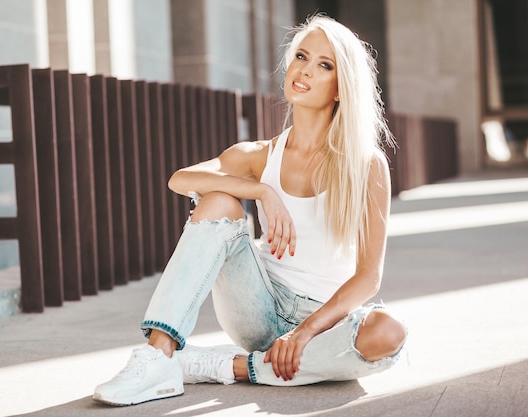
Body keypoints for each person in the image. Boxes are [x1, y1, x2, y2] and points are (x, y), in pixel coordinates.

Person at [93, 13, 407, 406]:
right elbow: (181, 180)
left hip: (327, 323)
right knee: (220, 201)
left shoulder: (365, 164)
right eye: (301, 57)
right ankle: (158, 356)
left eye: (324, 65)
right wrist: (259, 190)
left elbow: (367, 279)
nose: (305, 71)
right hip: (258, 309)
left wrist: (304, 332)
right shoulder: (260, 155)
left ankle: (230, 367)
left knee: (388, 333)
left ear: (341, 87)